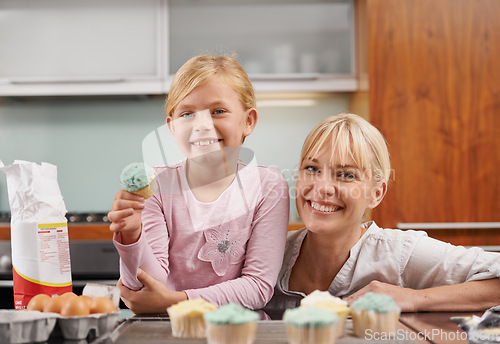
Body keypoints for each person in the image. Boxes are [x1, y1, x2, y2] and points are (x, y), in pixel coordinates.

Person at [108, 55, 290, 314]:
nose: (202, 125)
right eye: (188, 114)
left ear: (248, 121)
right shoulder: (156, 187)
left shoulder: (268, 186)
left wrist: (176, 300)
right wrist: (131, 236)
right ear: (172, 127)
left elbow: (258, 288)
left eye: (218, 111)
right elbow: (143, 288)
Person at [266, 113, 500, 312]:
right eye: (312, 168)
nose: (323, 187)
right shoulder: (267, 256)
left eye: (347, 174)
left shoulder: (399, 254)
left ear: (376, 194)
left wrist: (413, 298)